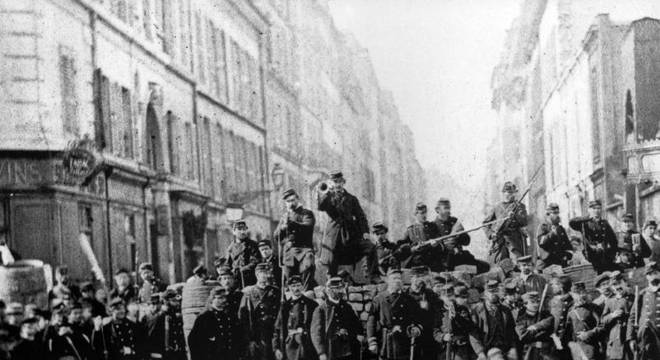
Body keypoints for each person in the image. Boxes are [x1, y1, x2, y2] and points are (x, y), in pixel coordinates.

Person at [317, 171, 377, 282]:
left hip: (350, 235)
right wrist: (326, 193)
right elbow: (321, 207)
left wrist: (365, 232)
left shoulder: (352, 198)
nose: (338, 185)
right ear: (331, 183)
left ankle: (374, 275)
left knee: (371, 247)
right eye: (335, 182)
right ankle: (331, 278)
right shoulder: (328, 198)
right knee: (332, 253)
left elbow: (361, 216)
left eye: (340, 182)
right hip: (334, 235)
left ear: (343, 183)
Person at [367, 268, 424, 360]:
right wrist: (372, 341)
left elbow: (418, 319)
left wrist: (416, 328)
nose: (397, 281)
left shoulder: (409, 299)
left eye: (399, 278)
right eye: (394, 278)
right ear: (388, 280)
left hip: (404, 341)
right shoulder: (379, 299)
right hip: (385, 341)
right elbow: (371, 321)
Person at [274, 188, 316, 291]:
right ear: (285, 203)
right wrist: (282, 228)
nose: (291, 203)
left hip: (304, 249)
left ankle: (306, 295)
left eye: (293, 200)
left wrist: (292, 224)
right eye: (288, 201)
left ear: (298, 199)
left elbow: (307, 227)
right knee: (289, 280)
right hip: (289, 253)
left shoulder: (306, 213)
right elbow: (276, 236)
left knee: (308, 266)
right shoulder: (284, 217)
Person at [311, 277, 362, 360]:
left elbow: (356, 323)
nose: (341, 291)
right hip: (331, 349)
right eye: (337, 288)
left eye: (341, 288)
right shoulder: (321, 309)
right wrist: (321, 352)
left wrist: (359, 334)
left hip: (348, 347)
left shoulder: (347, 307)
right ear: (329, 291)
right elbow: (316, 333)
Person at [188, 287, 245, 360]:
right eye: (220, 298)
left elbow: (237, 337)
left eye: (225, 297)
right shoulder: (204, 318)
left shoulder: (230, 316)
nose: (224, 300)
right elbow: (194, 342)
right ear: (212, 300)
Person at [239, 263, 281, 360]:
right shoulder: (248, 292)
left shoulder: (275, 291)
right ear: (257, 275)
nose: (266, 275)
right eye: (263, 273)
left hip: (273, 330)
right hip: (258, 333)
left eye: (267, 272)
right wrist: (249, 338)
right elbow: (243, 317)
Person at [433, 198, 488, 273]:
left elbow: (467, 241)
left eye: (449, 208)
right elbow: (433, 250)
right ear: (437, 210)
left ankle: (461, 270)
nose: (448, 211)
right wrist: (444, 244)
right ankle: (458, 271)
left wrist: (457, 237)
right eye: (445, 208)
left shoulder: (454, 221)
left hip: (459, 256)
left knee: (484, 267)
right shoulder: (433, 226)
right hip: (446, 260)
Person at [273, 275, 319, 360]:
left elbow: (317, 327)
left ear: (302, 286)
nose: (296, 289)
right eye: (293, 286)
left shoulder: (311, 304)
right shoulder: (285, 307)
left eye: (298, 285)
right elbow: (277, 328)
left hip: (307, 344)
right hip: (290, 345)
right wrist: (276, 348)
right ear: (289, 288)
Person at [471, 280, 518, 360]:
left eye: (496, 291)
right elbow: (473, 334)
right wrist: (480, 352)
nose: (494, 294)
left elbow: (512, 331)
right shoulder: (477, 310)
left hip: (505, 347)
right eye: (491, 292)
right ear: (485, 293)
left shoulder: (505, 310)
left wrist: (513, 348)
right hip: (486, 348)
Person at [483, 181, 528, 264]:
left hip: (514, 241)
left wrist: (515, 216)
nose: (512, 195)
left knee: (518, 263)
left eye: (514, 192)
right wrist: (491, 234)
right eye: (509, 192)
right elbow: (485, 224)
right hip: (500, 241)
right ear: (504, 193)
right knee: (500, 265)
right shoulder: (497, 207)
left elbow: (524, 222)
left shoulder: (520, 206)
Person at [569, 200, 618, 273]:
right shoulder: (584, 223)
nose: (597, 211)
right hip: (591, 256)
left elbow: (614, 241)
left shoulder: (604, 224)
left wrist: (612, 255)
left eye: (598, 208)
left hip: (604, 255)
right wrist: (587, 218)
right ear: (589, 210)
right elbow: (572, 222)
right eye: (594, 209)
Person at [437, 286, 485, 360]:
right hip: (445, 349)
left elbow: (470, 328)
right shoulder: (438, 312)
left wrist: (456, 316)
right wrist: (443, 337)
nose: (449, 298)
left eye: (451, 295)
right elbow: (435, 331)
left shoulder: (461, 309)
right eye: (446, 296)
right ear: (441, 297)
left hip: (461, 349)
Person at [405, 266, 442, 360]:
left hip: (429, 337)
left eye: (422, 277)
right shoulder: (404, 295)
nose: (420, 280)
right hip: (410, 337)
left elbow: (438, 315)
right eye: (417, 276)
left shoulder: (430, 295)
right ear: (411, 278)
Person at [627, 261, 660, 359]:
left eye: (655, 273)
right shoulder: (642, 294)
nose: (653, 276)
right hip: (644, 339)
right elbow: (632, 317)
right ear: (647, 277)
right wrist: (631, 338)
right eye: (649, 274)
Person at [146, 289, 186, 360]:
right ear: (166, 302)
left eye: (177, 301)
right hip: (162, 354)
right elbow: (150, 336)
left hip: (175, 353)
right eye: (174, 301)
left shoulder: (174, 316)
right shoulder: (159, 317)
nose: (177, 304)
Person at [514, 291, 555, 360]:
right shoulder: (521, 319)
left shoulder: (545, 315)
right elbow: (523, 336)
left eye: (537, 301)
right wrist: (540, 331)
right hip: (529, 353)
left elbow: (550, 323)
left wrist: (535, 327)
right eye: (532, 302)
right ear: (525, 304)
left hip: (544, 353)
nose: (536, 304)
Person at [402, 202, 442, 268]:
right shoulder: (410, 230)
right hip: (417, 264)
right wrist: (414, 248)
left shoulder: (432, 227)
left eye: (425, 212)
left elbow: (442, 246)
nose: (424, 215)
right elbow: (403, 250)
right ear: (416, 214)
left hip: (432, 263)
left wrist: (436, 245)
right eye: (422, 213)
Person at [566, 284, 601, 359]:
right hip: (576, 348)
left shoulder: (593, 308)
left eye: (582, 293)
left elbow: (602, 326)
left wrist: (588, 334)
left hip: (590, 346)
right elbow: (568, 330)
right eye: (577, 294)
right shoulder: (571, 310)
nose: (581, 296)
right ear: (573, 295)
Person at [600, 281, 631, 360]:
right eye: (615, 286)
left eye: (620, 286)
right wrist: (612, 315)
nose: (618, 289)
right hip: (615, 334)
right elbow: (603, 320)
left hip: (628, 332)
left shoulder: (630, 299)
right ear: (612, 289)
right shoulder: (610, 301)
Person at [536, 203, 572, 269]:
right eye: (554, 213)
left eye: (558, 213)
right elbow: (541, 243)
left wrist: (568, 255)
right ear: (548, 215)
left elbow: (567, 245)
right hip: (547, 261)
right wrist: (552, 233)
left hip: (560, 260)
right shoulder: (543, 226)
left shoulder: (560, 228)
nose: (557, 215)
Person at [226, 219, 260, 287]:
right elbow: (228, 264)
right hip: (236, 280)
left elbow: (255, 261)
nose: (242, 232)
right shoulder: (231, 247)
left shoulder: (253, 245)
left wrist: (242, 269)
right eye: (239, 229)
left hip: (250, 279)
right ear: (234, 231)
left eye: (244, 229)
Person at [549, 275, 574, 359]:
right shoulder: (553, 301)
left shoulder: (570, 301)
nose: (552, 286)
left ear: (561, 287)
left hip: (565, 339)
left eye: (554, 284)